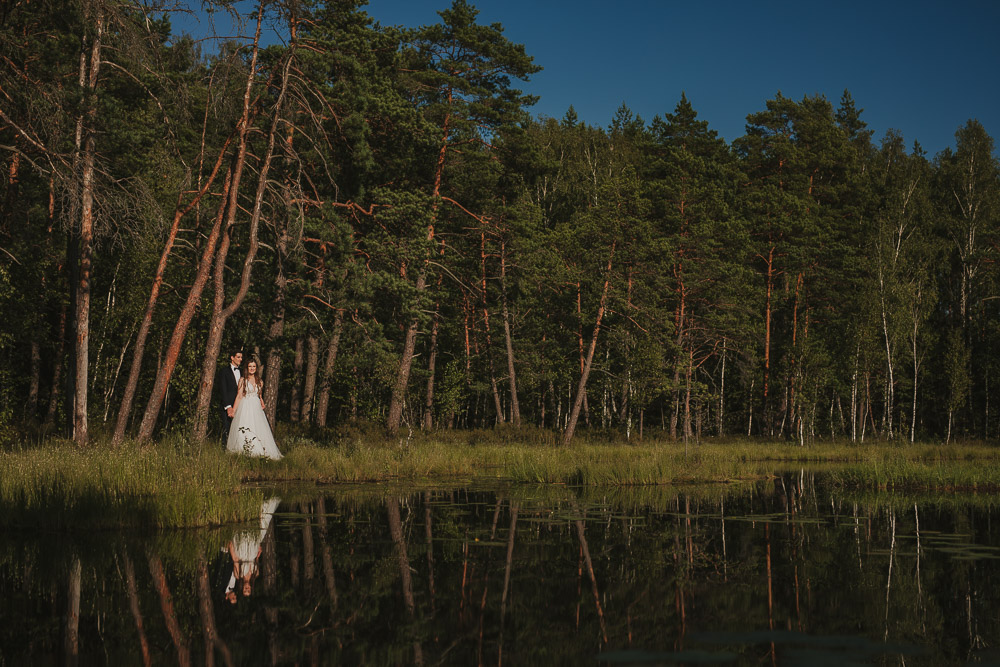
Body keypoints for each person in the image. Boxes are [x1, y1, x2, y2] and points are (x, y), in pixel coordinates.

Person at [224, 496, 281, 604]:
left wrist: (231, 545)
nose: (247, 588)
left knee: (242, 526)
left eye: (245, 590)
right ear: (251, 588)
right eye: (248, 590)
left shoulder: (238, 575)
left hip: (242, 550)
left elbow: (235, 559)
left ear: (242, 588)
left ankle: (241, 502)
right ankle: (256, 503)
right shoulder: (256, 574)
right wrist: (259, 551)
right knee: (259, 526)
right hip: (252, 550)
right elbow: (256, 560)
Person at [225, 356, 282, 460]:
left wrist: (262, 401)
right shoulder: (243, 380)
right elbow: (239, 396)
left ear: (256, 368)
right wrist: (233, 409)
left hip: (256, 408)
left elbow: (259, 395)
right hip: (245, 406)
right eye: (250, 366)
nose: (252, 368)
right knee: (245, 427)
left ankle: (261, 452)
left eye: (254, 366)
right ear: (247, 368)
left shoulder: (260, 381)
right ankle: (244, 452)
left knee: (258, 428)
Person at [216, 349, 243, 444]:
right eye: (238, 357)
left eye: (241, 357)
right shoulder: (224, 371)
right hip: (228, 405)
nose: (240, 359)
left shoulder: (243, 372)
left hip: (240, 404)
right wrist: (228, 407)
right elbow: (223, 389)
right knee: (226, 428)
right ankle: (224, 450)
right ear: (232, 358)